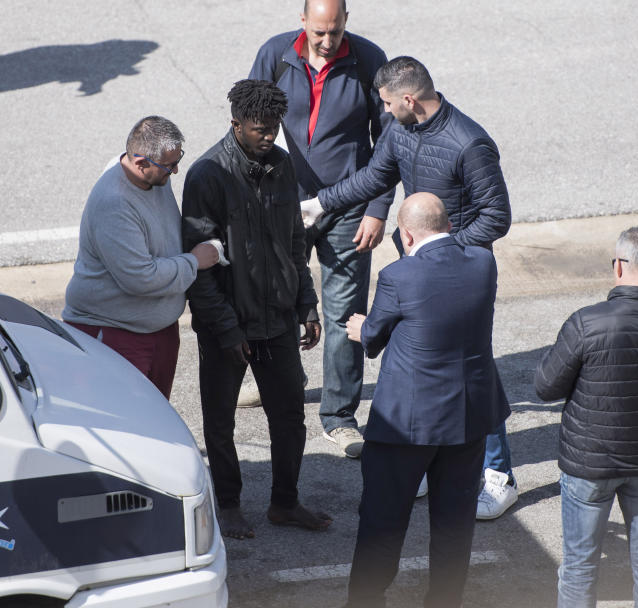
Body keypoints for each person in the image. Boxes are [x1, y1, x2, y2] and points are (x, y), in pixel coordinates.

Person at [303, 55, 517, 519]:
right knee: (415, 363)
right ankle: (426, 460)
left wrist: (441, 248)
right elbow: (374, 178)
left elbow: (496, 216)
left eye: (384, 103)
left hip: (462, 271)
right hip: (417, 267)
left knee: (470, 364)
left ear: (408, 99)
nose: (381, 111)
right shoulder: (400, 131)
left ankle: (499, 475)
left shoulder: (470, 142)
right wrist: (318, 204)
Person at [342, 192, 510, 607]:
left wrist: (360, 328)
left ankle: (366, 600)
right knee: (455, 524)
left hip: (407, 423)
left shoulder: (399, 275)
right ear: (449, 226)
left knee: (384, 520)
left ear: (407, 235)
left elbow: (376, 336)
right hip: (467, 417)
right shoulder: (483, 265)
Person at [181, 79, 327, 540]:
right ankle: (228, 504)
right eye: (260, 129)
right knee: (220, 423)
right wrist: (226, 329)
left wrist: (307, 302)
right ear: (236, 125)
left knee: (290, 418)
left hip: (278, 320)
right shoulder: (207, 175)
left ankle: (285, 502)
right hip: (228, 326)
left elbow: (295, 240)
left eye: (274, 128)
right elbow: (199, 265)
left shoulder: (282, 165)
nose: (269, 136)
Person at [248, 0, 393, 458]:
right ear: (303, 21)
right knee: (273, 297)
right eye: (318, 33)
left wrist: (378, 207)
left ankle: (340, 417)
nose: (327, 42)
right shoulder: (274, 56)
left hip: (348, 203)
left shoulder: (369, 60)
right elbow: (249, 126)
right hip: (282, 202)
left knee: (344, 311)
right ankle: (278, 381)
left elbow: (389, 139)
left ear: (346, 22)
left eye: (335, 32)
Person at [535, 226, 638, 608]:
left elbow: (545, 387)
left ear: (619, 267)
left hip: (589, 464)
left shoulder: (587, 322)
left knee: (579, 567)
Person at [63, 116, 218, 400]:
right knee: (125, 426)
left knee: (155, 420)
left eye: (178, 159)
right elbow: (140, 277)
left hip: (157, 332)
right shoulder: (114, 205)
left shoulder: (152, 177)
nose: (176, 170)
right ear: (140, 163)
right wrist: (194, 261)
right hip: (115, 335)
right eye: (169, 166)